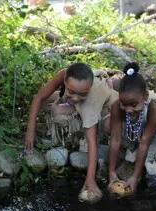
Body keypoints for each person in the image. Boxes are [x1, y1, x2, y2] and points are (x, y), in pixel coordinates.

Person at [24, 62, 119, 202]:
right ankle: (67, 112)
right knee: (51, 105)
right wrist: (30, 131)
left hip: (103, 107)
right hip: (81, 100)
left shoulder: (90, 102)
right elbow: (38, 97)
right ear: (65, 80)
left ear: (90, 87)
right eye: (71, 92)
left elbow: (92, 141)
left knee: (101, 126)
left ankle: (81, 132)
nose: (75, 98)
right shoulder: (64, 73)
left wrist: (90, 180)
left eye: (81, 94)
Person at [105, 62, 156, 195]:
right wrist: (112, 172)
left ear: (145, 97)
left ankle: (148, 158)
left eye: (134, 105)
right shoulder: (116, 107)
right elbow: (115, 139)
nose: (128, 109)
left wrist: (135, 177)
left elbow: (144, 143)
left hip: (149, 137)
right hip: (134, 133)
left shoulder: (154, 108)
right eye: (123, 104)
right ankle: (131, 148)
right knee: (108, 124)